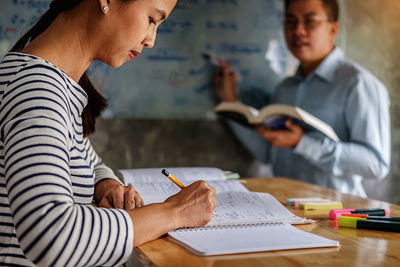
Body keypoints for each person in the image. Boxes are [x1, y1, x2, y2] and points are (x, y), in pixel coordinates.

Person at [0, 0, 217, 266]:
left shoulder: (52, 82)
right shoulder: (37, 90)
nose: (151, 40)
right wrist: (175, 212)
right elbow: (52, 235)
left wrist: (106, 185)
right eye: (152, 19)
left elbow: (88, 160)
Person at [214, 0, 390, 197]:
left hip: (336, 215)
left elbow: (376, 165)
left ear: (333, 29)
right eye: (290, 21)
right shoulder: (285, 89)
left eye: (310, 21)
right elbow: (267, 153)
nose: (298, 31)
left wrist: (301, 142)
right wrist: (231, 103)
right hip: (285, 209)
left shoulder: (358, 84)